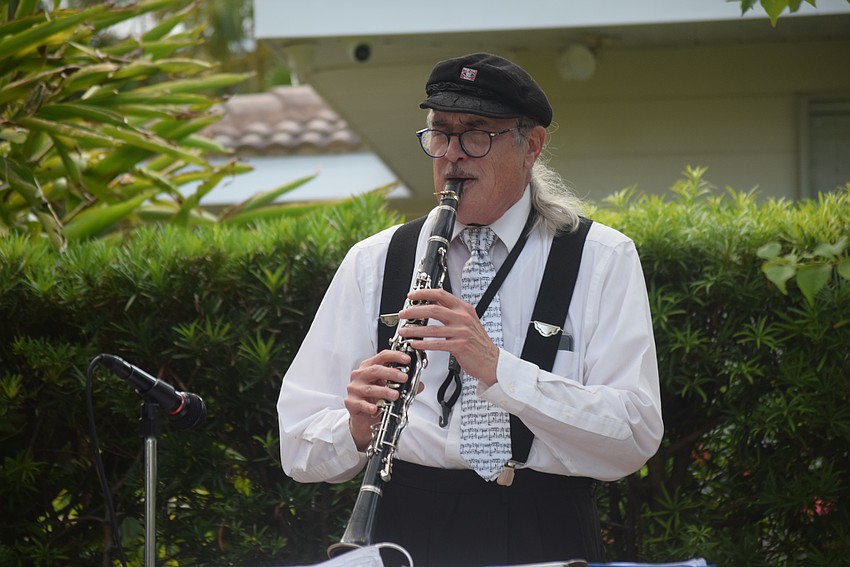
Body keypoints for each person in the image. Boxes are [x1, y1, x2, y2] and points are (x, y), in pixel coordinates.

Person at [278, 52, 663, 567]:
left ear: (532, 146)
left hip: (543, 523)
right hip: (404, 522)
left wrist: (500, 369)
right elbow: (298, 448)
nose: (454, 155)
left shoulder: (602, 257)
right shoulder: (375, 260)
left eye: (478, 134)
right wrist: (355, 428)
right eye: (441, 134)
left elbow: (634, 435)